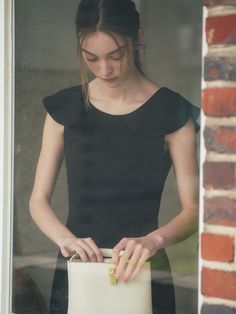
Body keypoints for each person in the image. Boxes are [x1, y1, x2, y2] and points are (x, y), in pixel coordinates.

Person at [29, 0, 200, 313]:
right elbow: (38, 199)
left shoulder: (173, 113)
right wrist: (65, 240)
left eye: (116, 56)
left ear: (137, 38)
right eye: (91, 58)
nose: (104, 69)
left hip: (145, 267)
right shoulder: (64, 110)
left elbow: (194, 210)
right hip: (77, 267)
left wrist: (154, 240)